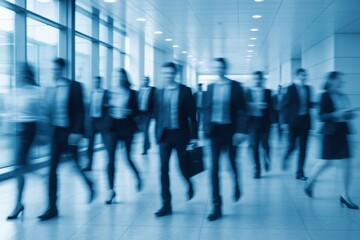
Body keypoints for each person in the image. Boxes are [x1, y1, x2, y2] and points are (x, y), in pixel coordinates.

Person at [38, 58, 94, 221]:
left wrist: (77, 131)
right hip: (56, 133)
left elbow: (80, 111)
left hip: (70, 133)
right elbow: (46, 112)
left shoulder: (74, 86)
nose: (54, 72)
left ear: (63, 70)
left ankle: (89, 183)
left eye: (57, 69)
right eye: (52, 69)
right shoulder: (49, 89)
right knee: (52, 170)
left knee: (76, 164)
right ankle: (52, 207)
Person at [304, 71, 358, 209]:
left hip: (342, 132)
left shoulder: (342, 96)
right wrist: (336, 114)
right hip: (329, 134)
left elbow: (346, 114)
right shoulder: (324, 96)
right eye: (339, 80)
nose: (341, 82)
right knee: (325, 162)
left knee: (346, 164)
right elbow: (321, 116)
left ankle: (345, 196)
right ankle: (310, 181)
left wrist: (349, 114)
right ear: (332, 81)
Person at [203, 58, 247, 221]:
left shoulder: (235, 87)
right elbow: (206, 110)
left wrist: (241, 131)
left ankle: (236, 183)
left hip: (231, 131)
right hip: (214, 132)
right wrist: (204, 129)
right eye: (216, 67)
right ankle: (216, 206)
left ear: (225, 68)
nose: (218, 69)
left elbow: (243, 111)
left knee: (231, 163)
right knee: (214, 168)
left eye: (221, 67)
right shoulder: (210, 87)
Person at [153, 62, 198, 217]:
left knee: (182, 166)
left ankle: (189, 183)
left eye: (170, 73)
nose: (168, 76)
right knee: (163, 170)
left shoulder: (185, 91)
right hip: (164, 135)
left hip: (181, 134)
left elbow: (193, 116)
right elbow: (156, 113)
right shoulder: (158, 92)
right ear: (162, 74)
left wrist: (194, 137)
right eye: (165, 73)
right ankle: (166, 204)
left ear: (175, 74)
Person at [6, 63, 41, 220]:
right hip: (16, 130)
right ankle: (43, 177)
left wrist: (42, 135)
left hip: (29, 129)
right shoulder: (14, 92)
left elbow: (40, 114)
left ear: (28, 74)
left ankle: (18, 203)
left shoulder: (35, 91)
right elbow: (9, 113)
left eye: (22, 72)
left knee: (19, 166)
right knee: (21, 166)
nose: (19, 75)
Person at [103, 68, 142, 204]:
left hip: (126, 128)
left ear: (125, 78)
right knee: (111, 160)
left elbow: (137, 112)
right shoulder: (109, 93)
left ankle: (138, 175)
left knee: (127, 158)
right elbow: (104, 110)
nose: (118, 79)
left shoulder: (132, 93)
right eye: (115, 76)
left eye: (120, 77)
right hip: (112, 128)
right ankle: (110, 190)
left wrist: (129, 111)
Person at [282, 68, 313, 180]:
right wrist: (284, 122)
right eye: (302, 75)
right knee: (292, 146)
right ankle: (286, 156)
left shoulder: (308, 88)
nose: (304, 77)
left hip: (305, 121)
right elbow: (284, 105)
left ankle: (300, 172)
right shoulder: (291, 88)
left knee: (303, 148)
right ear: (297, 76)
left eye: (305, 75)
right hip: (293, 122)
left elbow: (308, 104)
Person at [246, 71, 273, 179]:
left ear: (262, 80)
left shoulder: (267, 92)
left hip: (265, 122)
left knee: (265, 145)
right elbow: (244, 106)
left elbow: (272, 107)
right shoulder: (248, 92)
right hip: (252, 123)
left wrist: (266, 106)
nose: (257, 81)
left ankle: (267, 157)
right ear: (253, 79)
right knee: (254, 146)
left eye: (259, 79)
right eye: (255, 79)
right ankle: (257, 169)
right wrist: (252, 105)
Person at [83, 76, 109, 171]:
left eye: (97, 82)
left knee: (106, 143)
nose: (96, 84)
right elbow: (89, 108)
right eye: (94, 82)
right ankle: (89, 165)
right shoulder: (91, 93)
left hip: (102, 121)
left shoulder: (105, 93)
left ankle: (108, 163)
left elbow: (107, 108)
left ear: (100, 83)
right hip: (93, 121)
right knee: (90, 144)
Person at [138, 76, 156, 155]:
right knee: (143, 130)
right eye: (143, 80)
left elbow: (155, 102)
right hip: (140, 113)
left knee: (145, 130)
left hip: (148, 113)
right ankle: (148, 143)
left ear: (149, 82)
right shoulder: (139, 90)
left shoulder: (152, 90)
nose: (145, 82)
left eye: (146, 80)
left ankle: (144, 148)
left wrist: (154, 113)